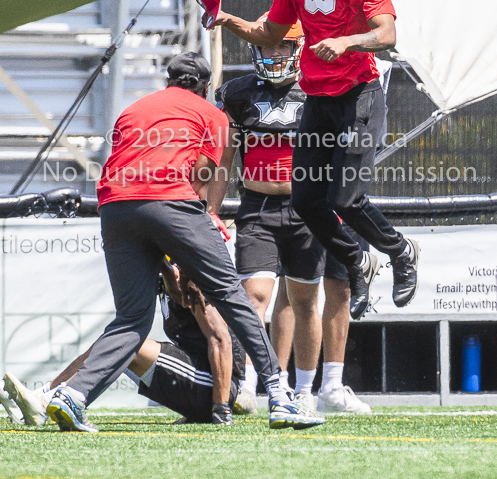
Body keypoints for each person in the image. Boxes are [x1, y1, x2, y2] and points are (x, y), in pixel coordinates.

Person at [44, 52, 324, 432]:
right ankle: (279, 394)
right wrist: (194, 231)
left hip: (114, 207)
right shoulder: (212, 114)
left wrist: (163, 251)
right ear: (205, 86)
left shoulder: (133, 110)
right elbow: (201, 176)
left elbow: (127, 168)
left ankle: (72, 395)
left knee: (131, 319)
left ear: (169, 80)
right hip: (172, 202)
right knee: (230, 293)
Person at [202, 0, 419, 321]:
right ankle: (358, 262)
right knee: (306, 199)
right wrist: (226, 18)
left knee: (346, 198)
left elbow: (387, 33)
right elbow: (269, 33)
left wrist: (346, 42)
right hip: (319, 101)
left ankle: (400, 251)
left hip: (360, 98)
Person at [207, 19, 369, 414]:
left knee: (305, 300)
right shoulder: (237, 93)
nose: (275, 54)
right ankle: (246, 386)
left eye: (284, 47)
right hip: (258, 208)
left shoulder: (320, 89)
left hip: (308, 211)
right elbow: (225, 160)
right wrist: (210, 210)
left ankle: (304, 391)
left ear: (299, 48)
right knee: (254, 296)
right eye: (268, 47)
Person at [2, 262, 242, 427]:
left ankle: (47, 402)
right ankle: (43, 396)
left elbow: (221, 339)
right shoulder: (167, 275)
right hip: (197, 380)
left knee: (129, 344)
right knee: (116, 340)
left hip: (215, 388)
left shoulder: (192, 274)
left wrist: (220, 410)